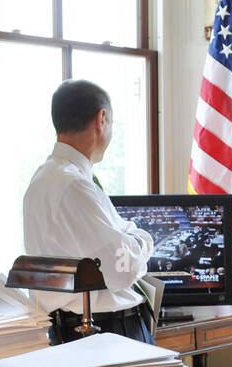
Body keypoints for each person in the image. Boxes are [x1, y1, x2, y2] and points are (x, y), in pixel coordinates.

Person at [23, 80, 155, 344]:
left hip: (70, 329)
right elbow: (122, 268)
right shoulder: (75, 186)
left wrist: (127, 238)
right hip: (106, 333)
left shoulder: (43, 178)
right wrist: (143, 241)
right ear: (101, 119)